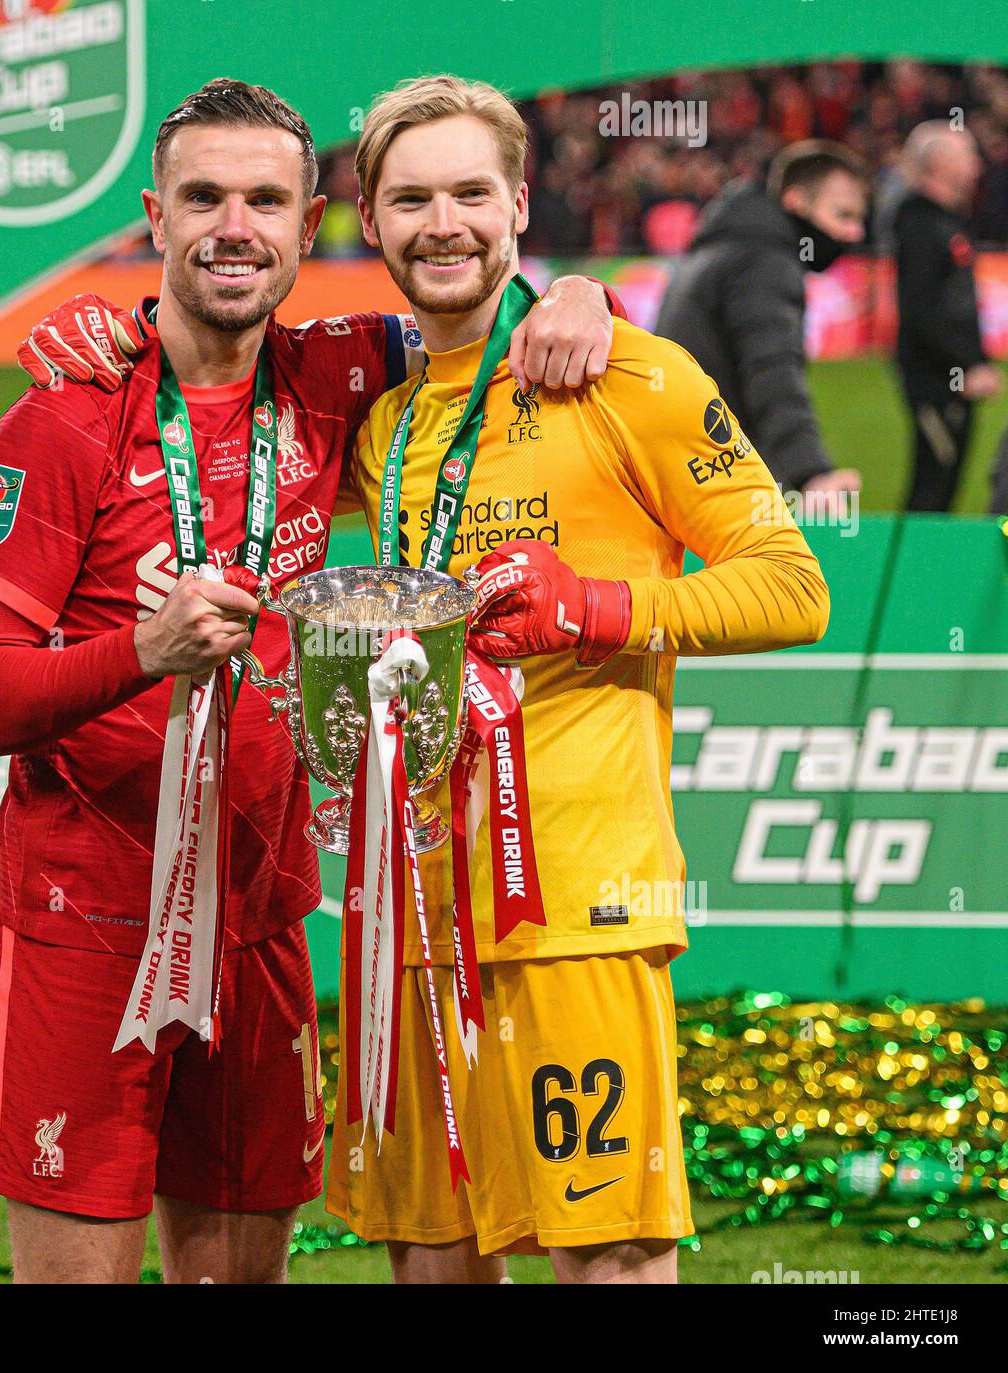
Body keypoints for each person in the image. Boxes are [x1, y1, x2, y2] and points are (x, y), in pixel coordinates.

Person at [0, 77, 615, 1285]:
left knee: (236, 1275)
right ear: (155, 216)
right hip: (91, 919)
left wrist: (575, 291)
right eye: (202, 197)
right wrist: (138, 655)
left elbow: (478, 290)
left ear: (315, 227)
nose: (233, 226)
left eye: (266, 198)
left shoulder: (336, 375)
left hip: (263, 911)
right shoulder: (60, 421)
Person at [326, 74, 830, 1284]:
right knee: (430, 1258)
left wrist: (594, 611)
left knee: (606, 1256)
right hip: (413, 901)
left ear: (516, 202)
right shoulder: (385, 420)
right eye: (408, 200)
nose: (439, 222)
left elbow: (790, 585)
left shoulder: (630, 376)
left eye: (465, 193)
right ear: (372, 224)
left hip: (577, 908)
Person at [655, 140, 867, 516]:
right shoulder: (765, 261)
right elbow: (772, 371)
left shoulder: (720, 246)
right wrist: (811, 472)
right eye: (843, 215)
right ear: (797, 201)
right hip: (718, 470)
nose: (855, 233)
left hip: (678, 462)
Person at [893, 122, 1002, 512]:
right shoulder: (921, 226)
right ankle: (912, 572)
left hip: (950, 379)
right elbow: (921, 310)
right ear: (941, 164)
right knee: (932, 490)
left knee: (943, 486)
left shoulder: (946, 221)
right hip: (935, 380)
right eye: (968, 155)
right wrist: (967, 365)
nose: (977, 165)